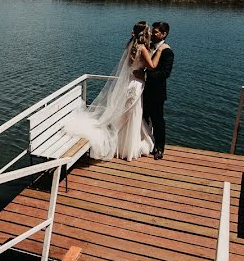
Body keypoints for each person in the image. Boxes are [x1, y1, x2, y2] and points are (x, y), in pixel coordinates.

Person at [64, 21, 154, 160]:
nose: (150, 33)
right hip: (136, 84)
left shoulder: (131, 45)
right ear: (144, 33)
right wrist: (158, 51)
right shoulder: (142, 48)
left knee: (127, 115)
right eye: (148, 31)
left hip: (130, 82)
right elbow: (152, 66)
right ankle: (128, 148)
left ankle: (121, 145)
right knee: (133, 115)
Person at [141, 21, 174, 159]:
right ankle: (145, 144)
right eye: (153, 32)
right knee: (142, 118)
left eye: (156, 32)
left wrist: (145, 75)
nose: (153, 34)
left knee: (158, 121)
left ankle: (159, 148)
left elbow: (165, 73)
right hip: (142, 91)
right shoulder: (148, 46)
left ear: (164, 34)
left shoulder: (167, 52)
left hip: (156, 93)